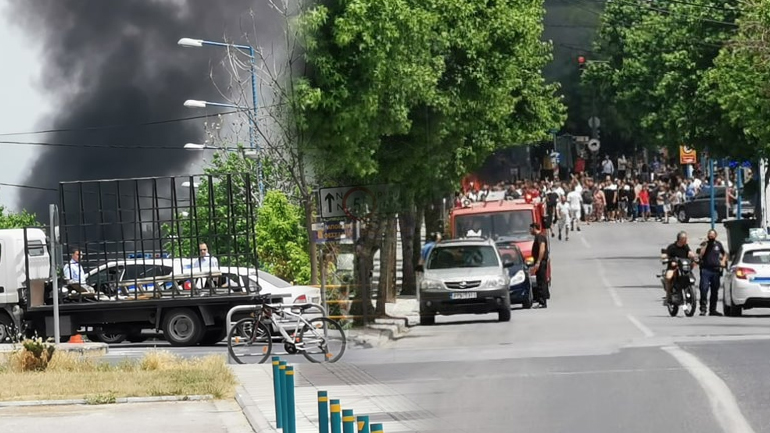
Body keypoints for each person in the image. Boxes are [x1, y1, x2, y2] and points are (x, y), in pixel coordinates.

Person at [664, 231, 697, 305]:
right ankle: (668, 296)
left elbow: (690, 253)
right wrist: (669, 260)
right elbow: (666, 255)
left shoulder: (686, 246)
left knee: (690, 276)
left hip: (684, 267)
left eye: (686, 238)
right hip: (673, 267)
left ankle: (691, 293)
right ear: (680, 239)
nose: (686, 240)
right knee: (668, 277)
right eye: (684, 238)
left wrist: (694, 257)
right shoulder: (672, 247)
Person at [698, 229, 726, 316]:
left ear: (716, 236)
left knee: (714, 291)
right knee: (704, 289)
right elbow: (700, 255)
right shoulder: (704, 244)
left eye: (713, 234)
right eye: (709, 234)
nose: (711, 235)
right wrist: (706, 245)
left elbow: (724, 253)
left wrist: (723, 261)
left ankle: (712, 310)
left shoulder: (718, 244)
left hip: (716, 271)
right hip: (706, 270)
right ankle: (703, 309)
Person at [529, 223, 550, 308]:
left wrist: (538, 262)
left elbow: (542, 249)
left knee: (541, 282)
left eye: (530, 229)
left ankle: (542, 302)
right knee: (540, 281)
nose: (530, 231)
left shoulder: (540, 237)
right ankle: (542, 300)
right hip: (540, 262)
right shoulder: (538, 237)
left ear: (534, 228)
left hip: (541, 262)